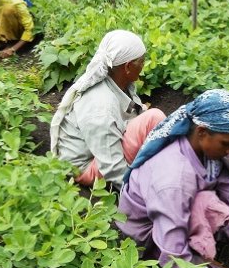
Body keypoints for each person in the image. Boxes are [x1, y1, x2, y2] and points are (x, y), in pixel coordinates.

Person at [118, 89, 229, 268]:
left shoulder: (208, 151)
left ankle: (198, 252)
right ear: (202, 132)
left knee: (205, 199)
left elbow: (227, 191)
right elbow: (173, 257)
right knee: (177, 257)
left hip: (174, 213)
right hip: (146, 238)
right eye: (226, 143)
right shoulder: (174, 178)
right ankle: (195, 260)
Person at [49, 30, 165, 190]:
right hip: (86, 167)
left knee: (152, 119)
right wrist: (139, 194)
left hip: (96, 151)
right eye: (142, 61)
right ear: (128, 67)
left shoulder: (118, 81)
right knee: (154, 118)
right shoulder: (100, 107)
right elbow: (112, 166)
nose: (144, 65)